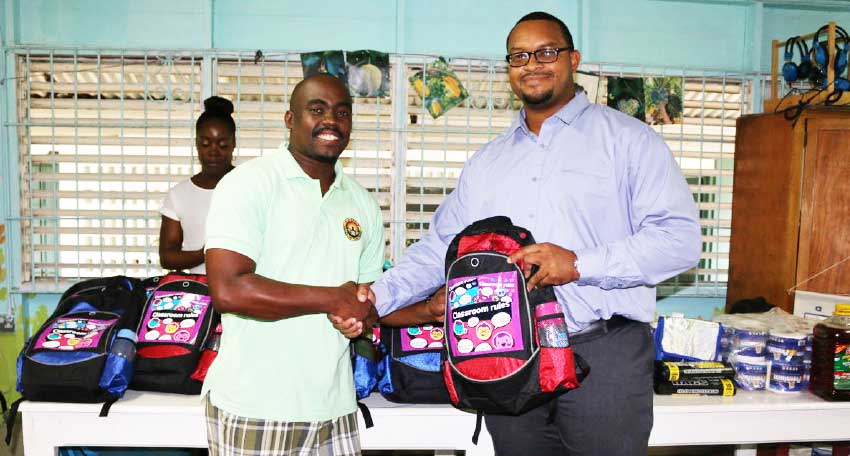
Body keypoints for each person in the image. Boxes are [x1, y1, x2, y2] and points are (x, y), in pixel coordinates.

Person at [335, 11, 701, 456]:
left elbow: (679, 242)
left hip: (603, 351)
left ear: (573, 59)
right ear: (509, 69)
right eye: (519, 56)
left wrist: (580, 264)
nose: (533, 64)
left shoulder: (629, 140)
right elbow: (440, 251)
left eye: (547, 51)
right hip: (504, 354)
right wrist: (377, 296)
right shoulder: (487, 163)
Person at [203, 73, 384, 455]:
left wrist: (360, 318)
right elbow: (229, 290)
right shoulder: (248, 184)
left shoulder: (362, 203)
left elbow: (367, 301)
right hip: (255, 406)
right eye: (316, 110)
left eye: (342, 112)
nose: (331, 121)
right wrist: (333, 299)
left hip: (334, 407)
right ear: (290, 119)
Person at [159, 96, 236, 273]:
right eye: (206, 144)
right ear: (197, 144)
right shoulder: (179, 195)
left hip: (244, 293)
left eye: (222, 144)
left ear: (233, 143)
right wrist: (206, 254)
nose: (213, 151)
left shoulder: (251, 186)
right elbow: (167, 257)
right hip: (199, 294)